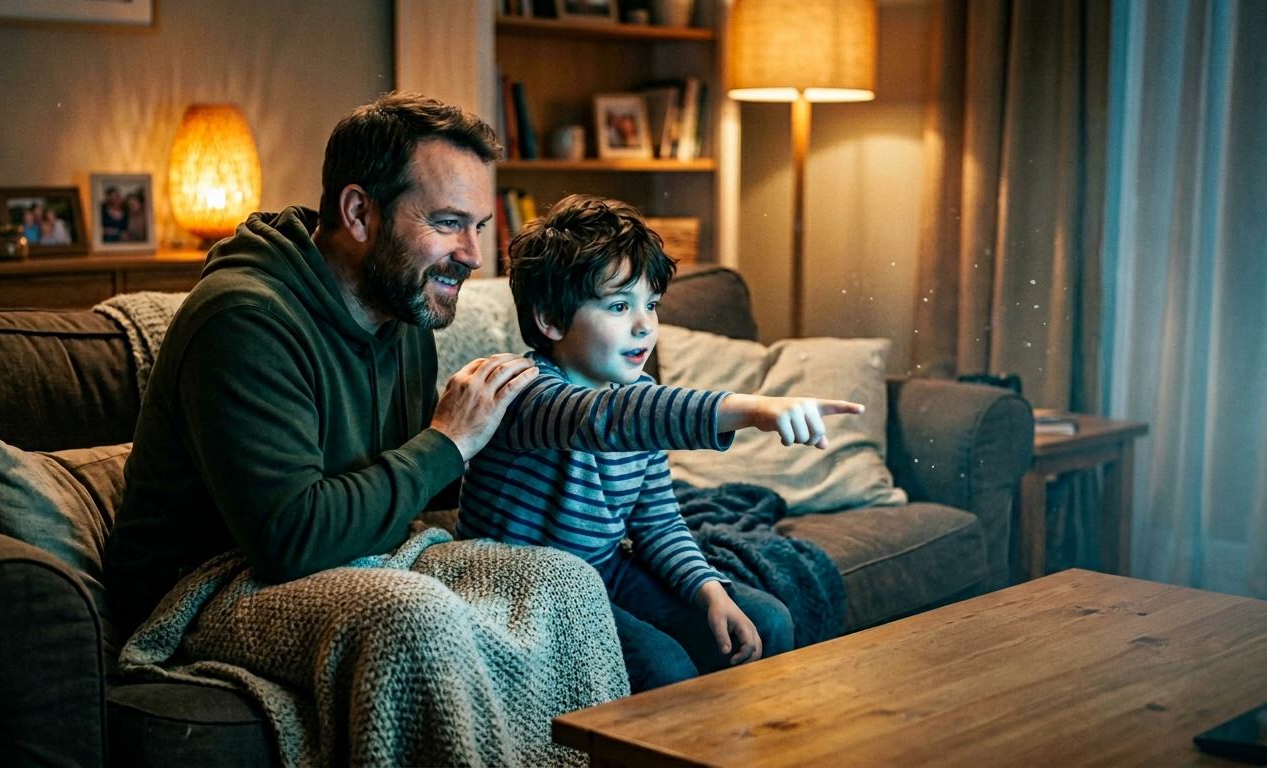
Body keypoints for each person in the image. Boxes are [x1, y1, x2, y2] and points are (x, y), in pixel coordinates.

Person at [103, 92, 539, 638]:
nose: (473, 254)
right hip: (200, 594)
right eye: (449, 222)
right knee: (415, 620)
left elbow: (405, 479)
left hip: (348, 564)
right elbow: (294, 540)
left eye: (477, 226)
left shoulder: (402, 307)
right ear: (359, 213)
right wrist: (447, 442)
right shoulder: (243, 320)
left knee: (559, 577)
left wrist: (529, 448)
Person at [455, 194, 865, 692]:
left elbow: (656, 520)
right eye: (619, 305)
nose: (644, 324)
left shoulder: (639, 399)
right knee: (663, 664)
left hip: (606, 570)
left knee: (767, 621)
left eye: (650, 304)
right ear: (549, 319)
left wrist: (708, 590)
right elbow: (602, 422)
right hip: (529, 590)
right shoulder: (521, 392)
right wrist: (755, 408)